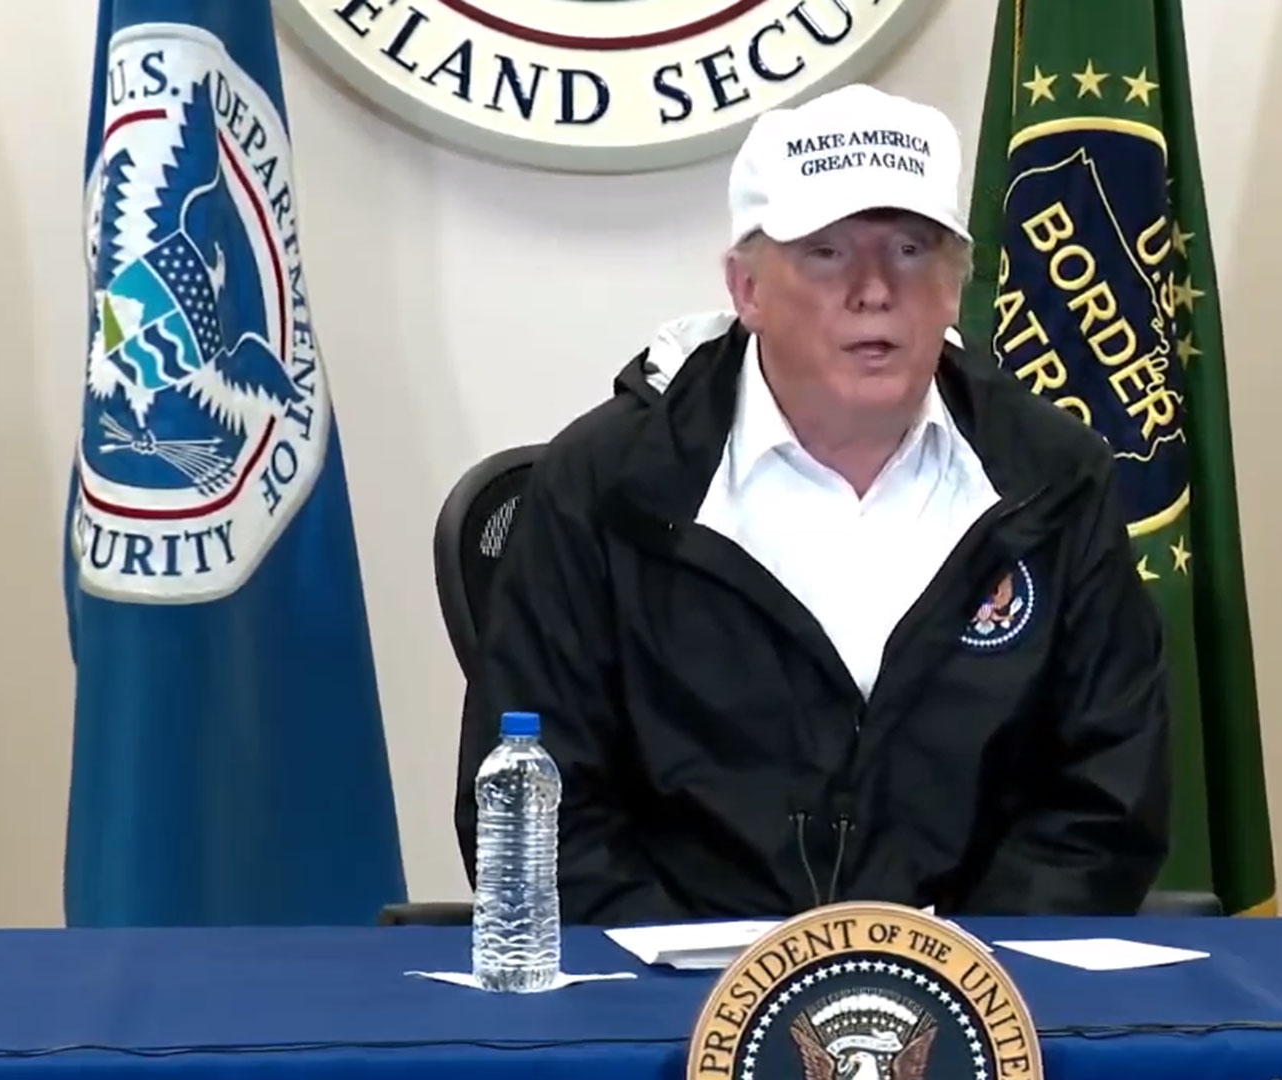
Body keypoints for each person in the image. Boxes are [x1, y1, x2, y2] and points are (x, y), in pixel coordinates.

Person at [456, 83, 1171, 926]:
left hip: (982, 1000)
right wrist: (716, 990)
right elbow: (539, 808)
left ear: (953, 290)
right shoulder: (606, 485)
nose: (874, 291)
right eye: (827, 252)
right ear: (747, 288)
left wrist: (958, 975)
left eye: (912, 250)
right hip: (671, 1004)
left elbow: (1107, 792)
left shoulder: (1054, 478)